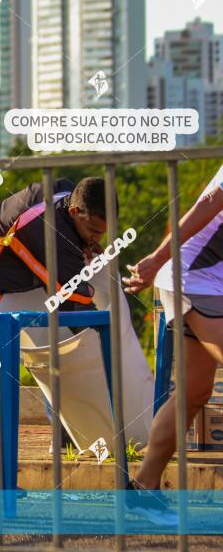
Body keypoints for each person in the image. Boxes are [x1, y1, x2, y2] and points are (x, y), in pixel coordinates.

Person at [0, 176, 112, 493]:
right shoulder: (51, 231)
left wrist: (85, 242)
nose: (96, 239)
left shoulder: (63, 192)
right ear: (74, 211)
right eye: (93, 231)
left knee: (46, 353)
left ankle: (1, 471)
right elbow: (78, 305)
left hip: (4, 285)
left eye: (103, 232)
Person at [122, 163, 223, 526]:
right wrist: (155, 260)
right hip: (192, 277)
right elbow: (205, 206)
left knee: (194, 392)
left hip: (214, 285)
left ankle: (143, 489)